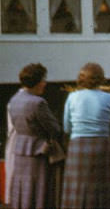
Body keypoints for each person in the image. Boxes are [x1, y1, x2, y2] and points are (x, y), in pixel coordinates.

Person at [61, 62, 110, 209]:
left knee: (77, 184)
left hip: (78, 145)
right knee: (99, 185)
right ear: (101, 79)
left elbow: (67, 128)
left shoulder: (72, 97)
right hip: (101, 145)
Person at [7, 63, 62, 209]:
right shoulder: (38, 103)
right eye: (43, 79)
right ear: (36, 82)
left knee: (22, 190)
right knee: (38, 191)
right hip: (38, 151)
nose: (45, 83)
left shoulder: (14, 100)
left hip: (20, 150)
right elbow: (54, 129)